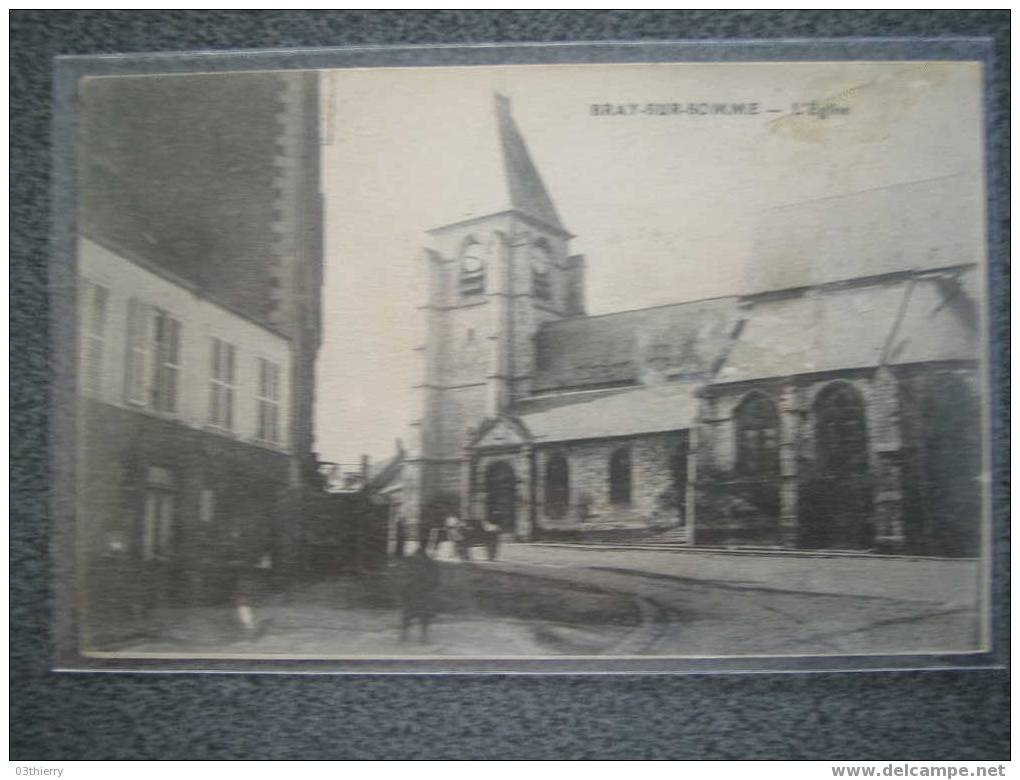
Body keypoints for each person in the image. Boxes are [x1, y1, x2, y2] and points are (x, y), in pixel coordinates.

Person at [399, 544, 440, 643]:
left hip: (418, 594)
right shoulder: (429, 564)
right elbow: (436, 581)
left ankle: (409, 636)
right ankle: (418, 637)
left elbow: (405, 579)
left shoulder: (417, 563)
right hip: (420, 594)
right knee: (420, 616)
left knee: (411, 615)